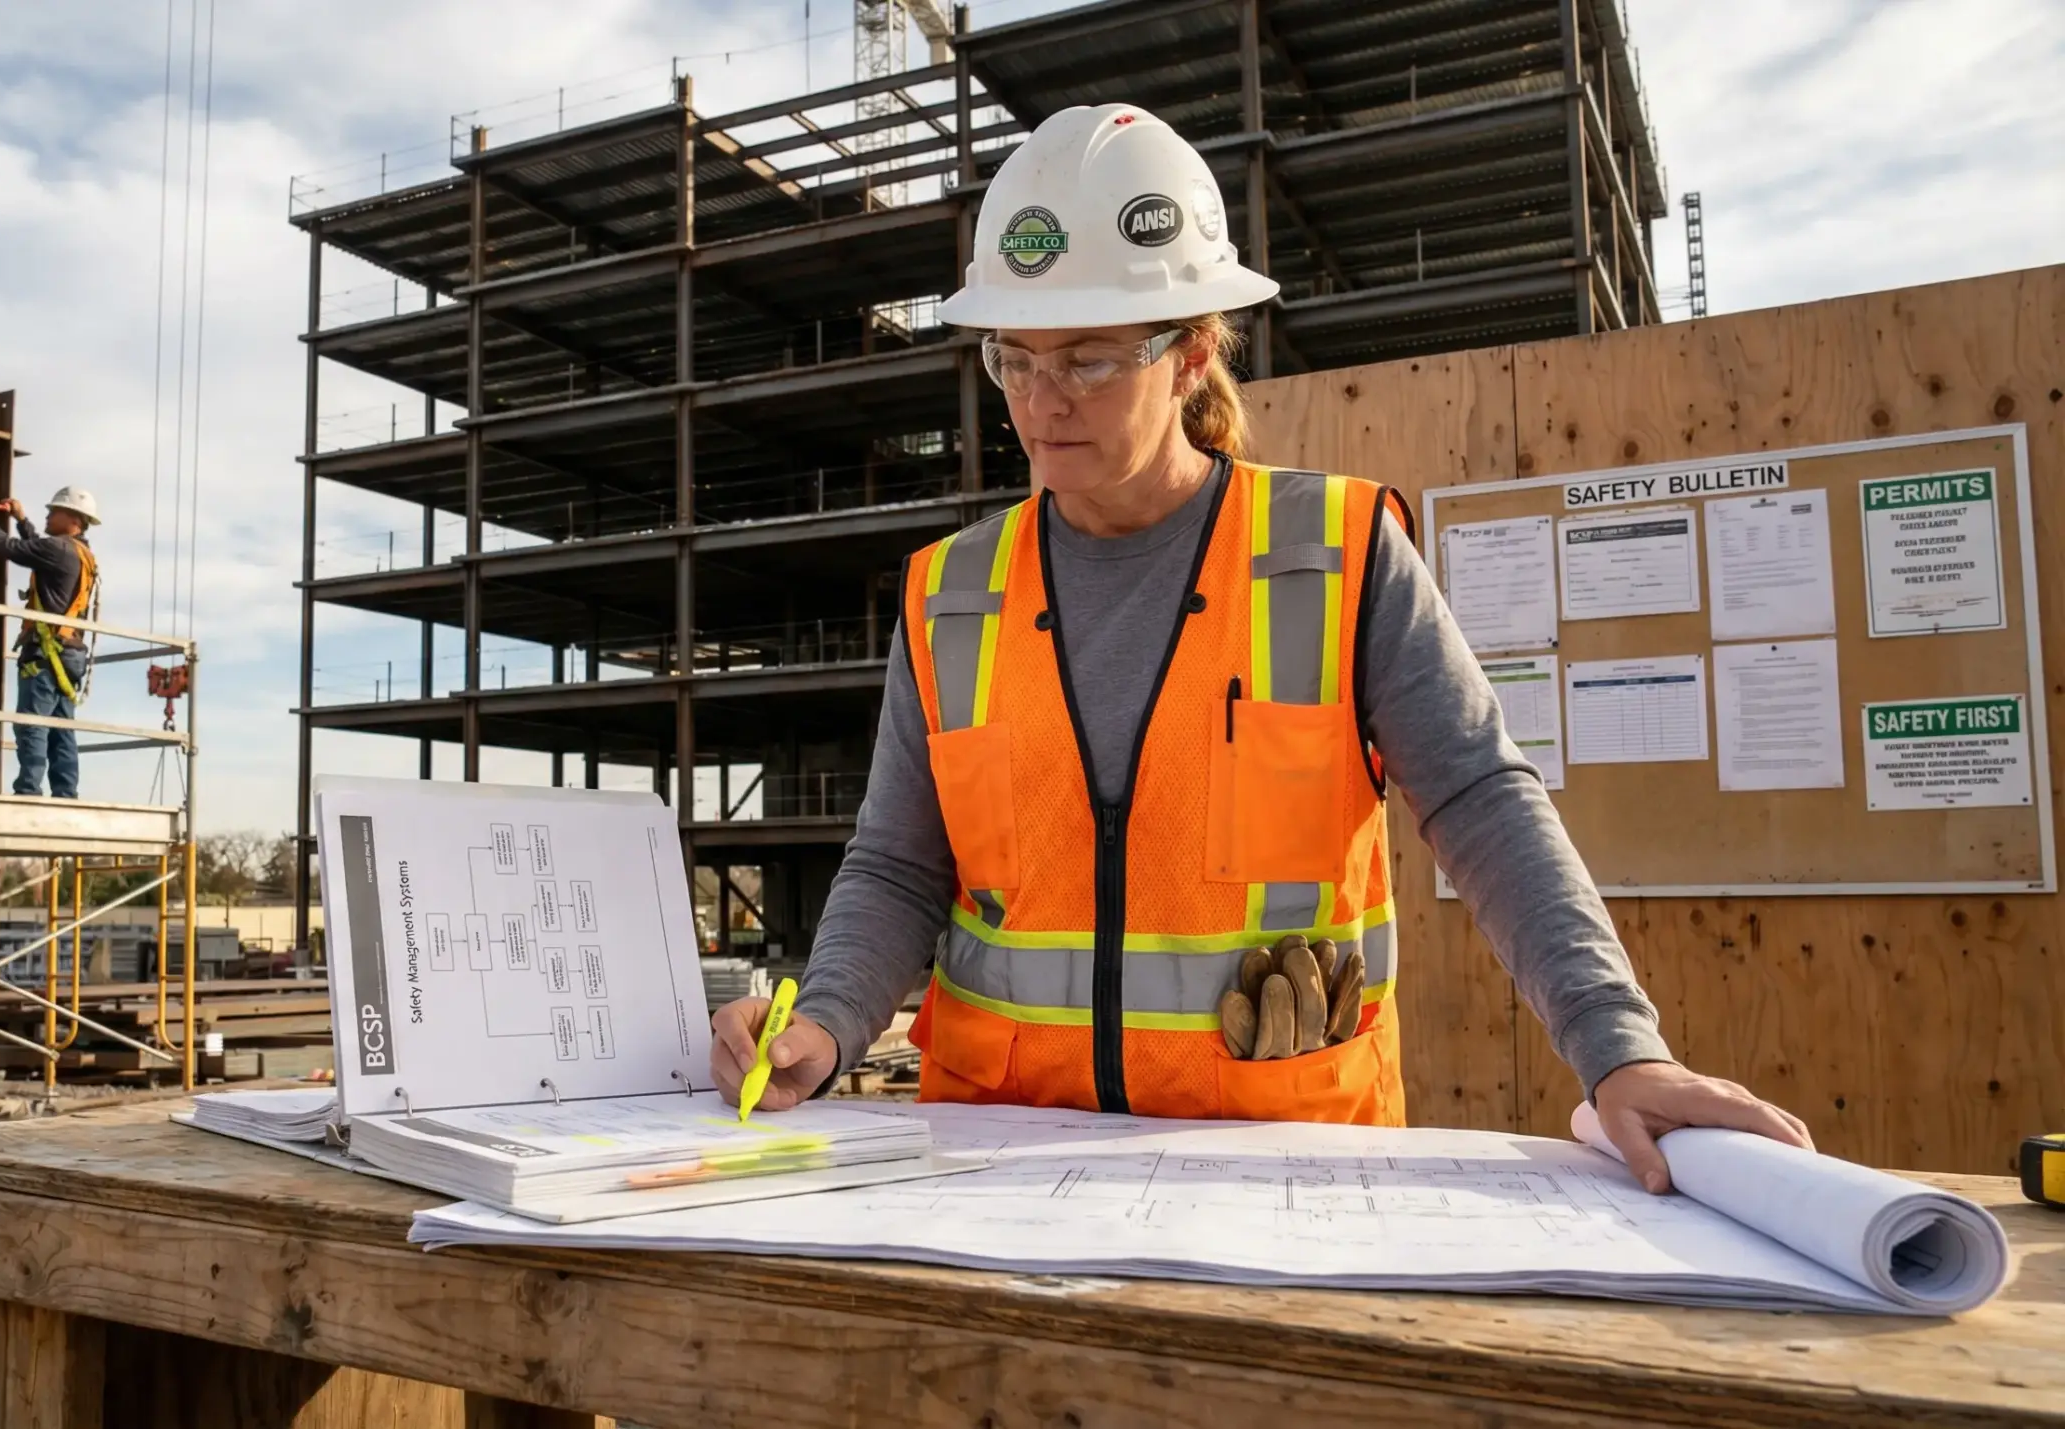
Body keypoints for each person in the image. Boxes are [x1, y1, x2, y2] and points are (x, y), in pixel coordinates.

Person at [707, 103, 1813, 1194]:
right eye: (1016, 359)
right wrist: (831, 1020)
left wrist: (1617, 1046)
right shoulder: (950, 595)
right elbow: (901, 860)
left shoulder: (1334, 556)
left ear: (1190, 353)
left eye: (1089, 358)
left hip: (1281, 1173)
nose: (1044, 403)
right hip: (995, 1161)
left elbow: (1482, 802)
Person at [0, 485, 102, 799]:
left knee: (32, 724)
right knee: (62, 727)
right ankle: (65, 793)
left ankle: (29, 790)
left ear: (73, 518)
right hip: (68, 653)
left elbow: (8, 548)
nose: (48, 515)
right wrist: (22, 520)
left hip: (45, 653)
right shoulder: (79, 553)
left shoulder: (58, 549)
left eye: (53, 511)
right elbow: (38, 550)